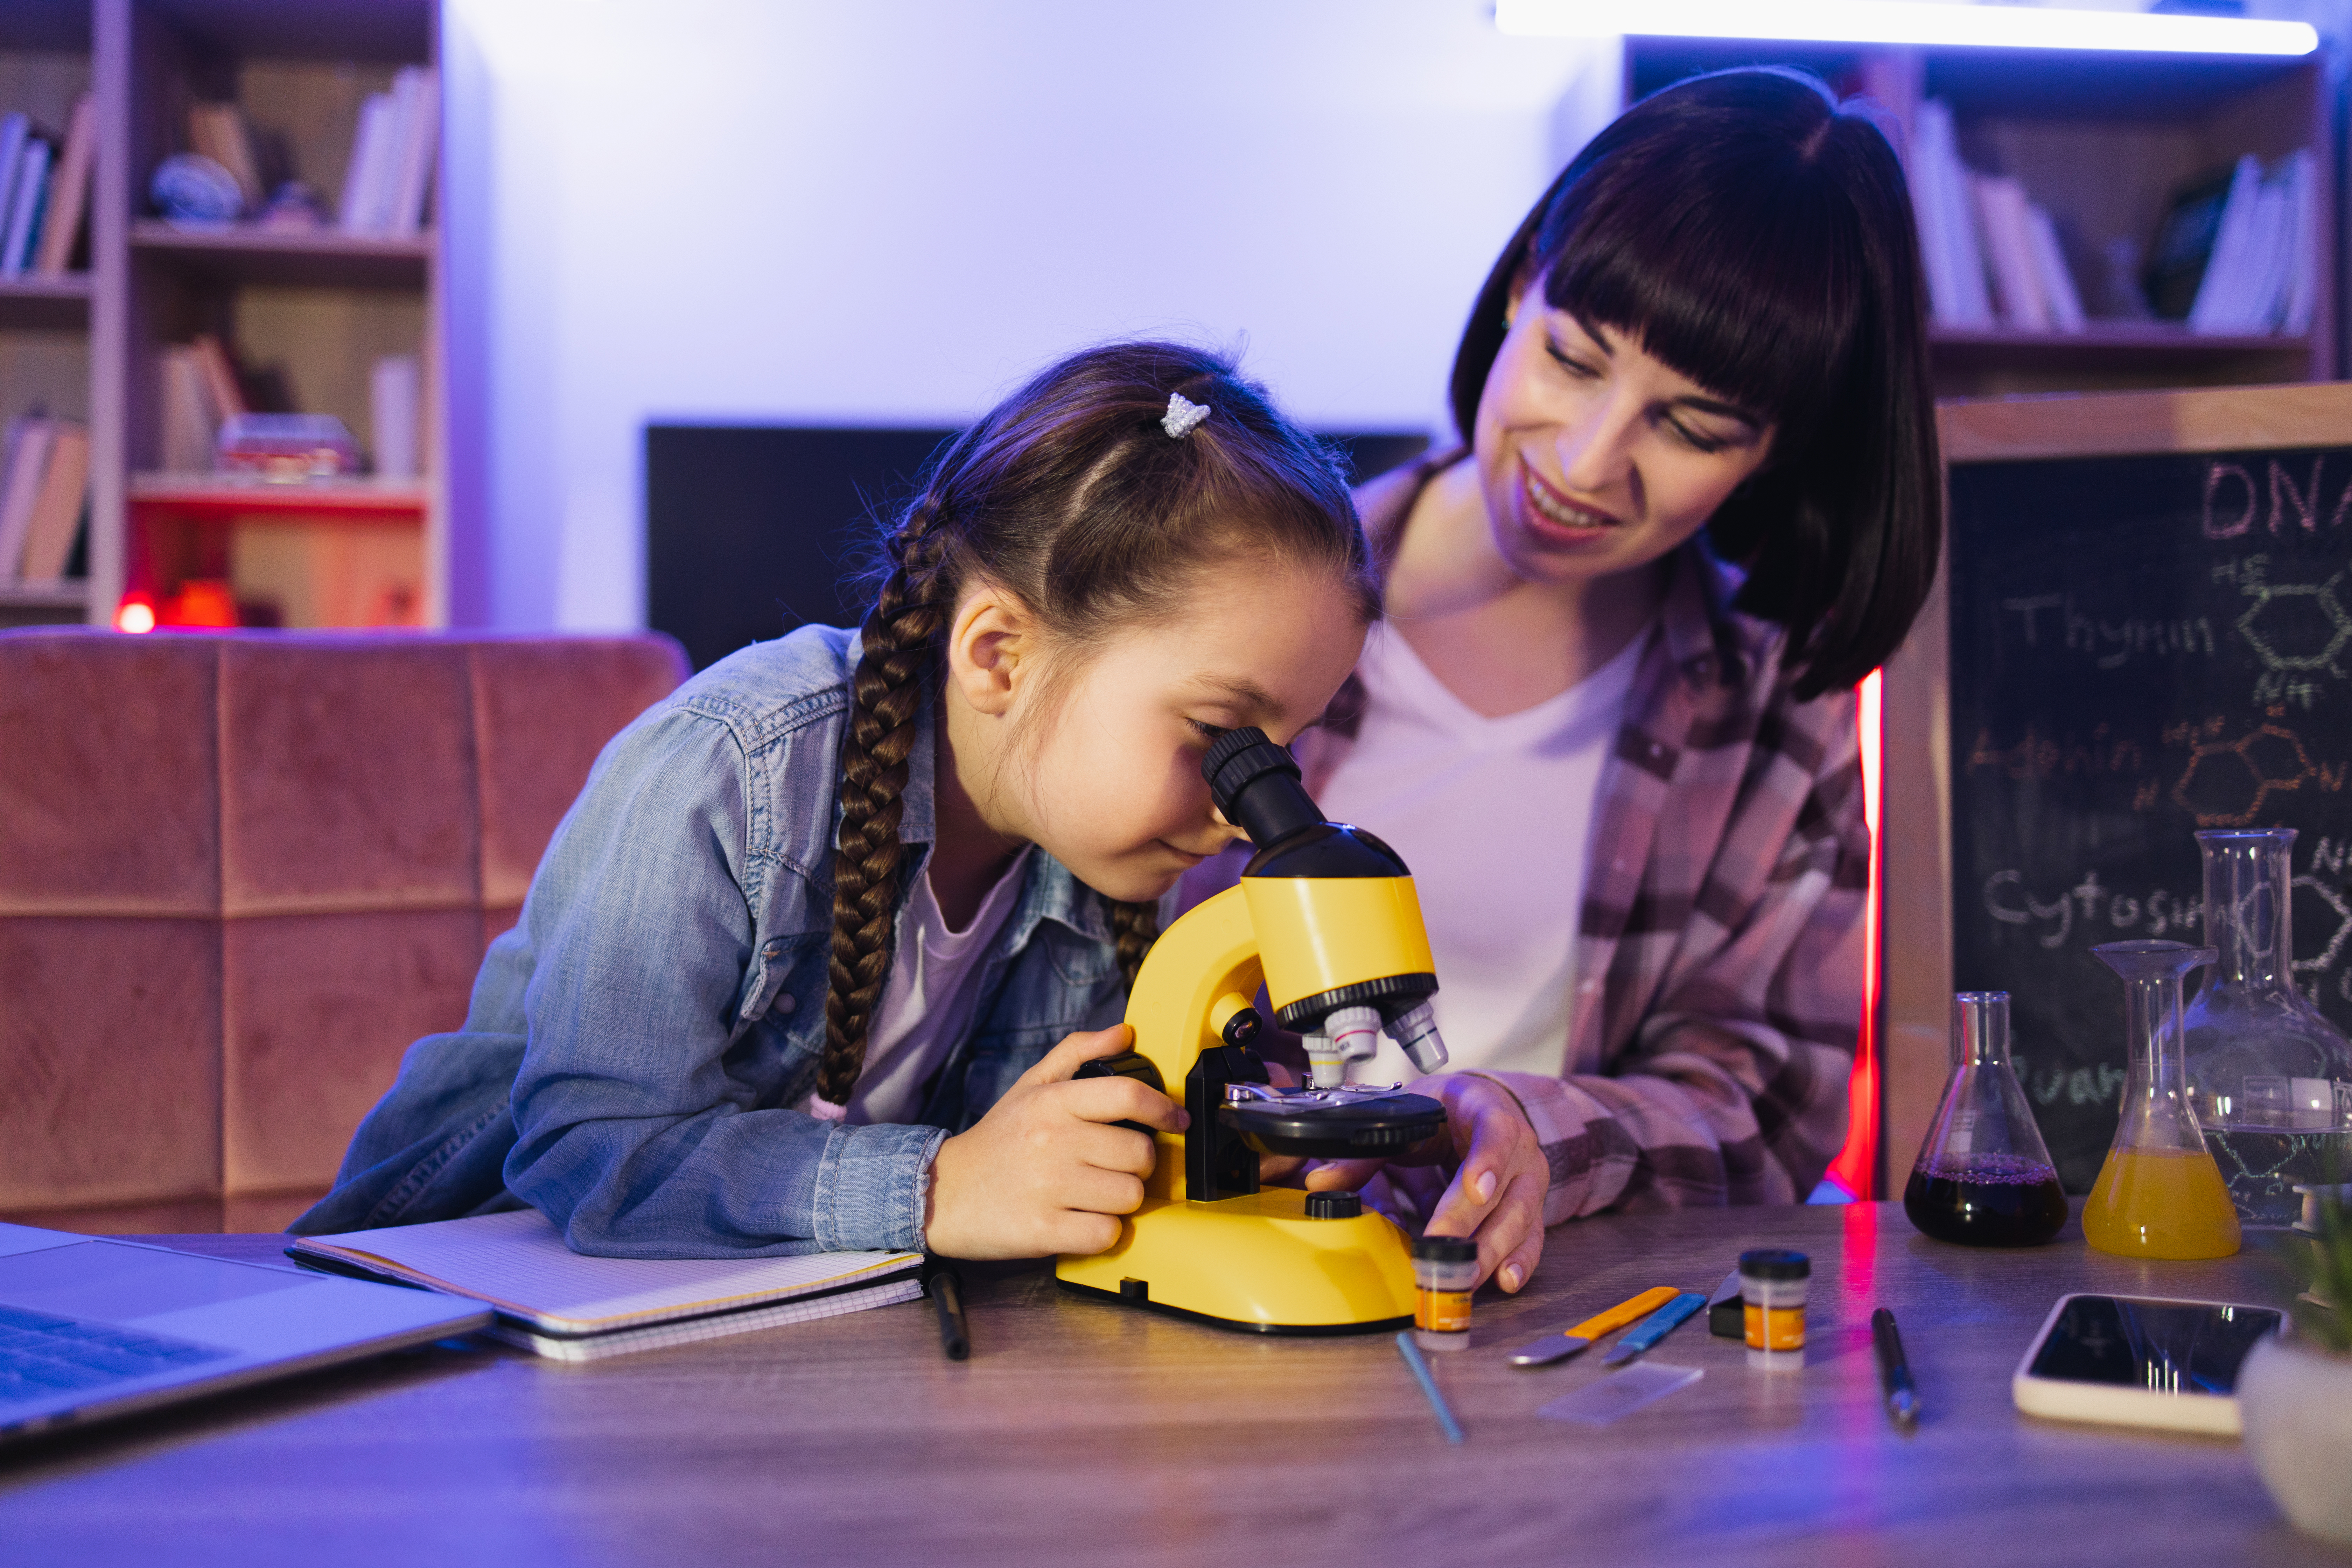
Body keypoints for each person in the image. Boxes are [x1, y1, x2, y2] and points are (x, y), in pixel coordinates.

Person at [293, 341, 1379, 1259]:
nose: (1251, 809)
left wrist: (1223, 1146)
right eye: (1225, 739)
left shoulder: (1105, 857)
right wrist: (941, 1187)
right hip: (450, 1285)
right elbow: (591, 1153)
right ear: (997, 654)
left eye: (1284, 750)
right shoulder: (731, 768)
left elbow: (1039, 1167)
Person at [1236, 68, 1940, 1295]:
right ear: (1520, 290)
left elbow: (1765, 1101)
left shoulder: (1775, 712)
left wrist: (1543, 1134)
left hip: (1546, 1321)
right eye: (1571, 358)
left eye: (1695, 428)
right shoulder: (1231, 608)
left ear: (1773, 455)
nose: (1587, 460)